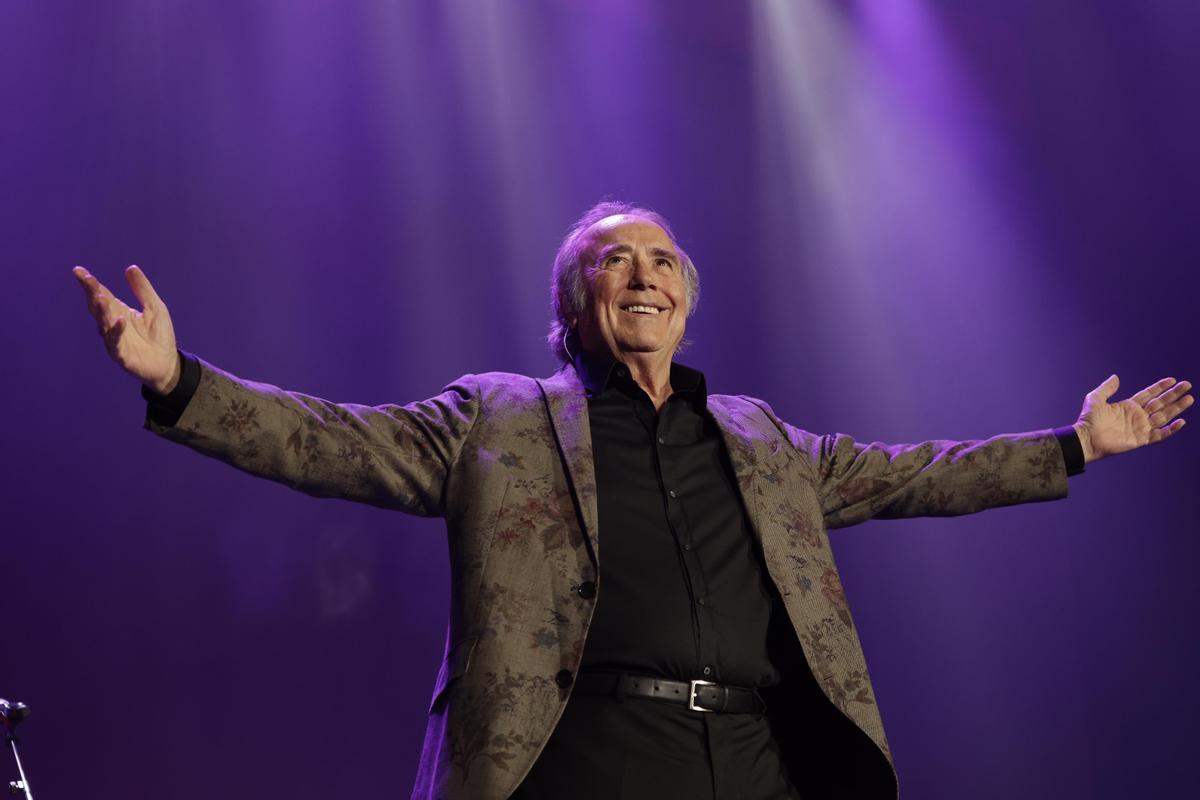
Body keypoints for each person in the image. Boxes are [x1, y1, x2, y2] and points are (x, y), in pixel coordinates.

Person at [73, 201, 1192, 799]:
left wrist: (1075, 446)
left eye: (664, 257)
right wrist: (181, 380)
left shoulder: (758, 437)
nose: (647, 271)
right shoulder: (498, 419)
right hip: (585, 759)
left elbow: (916, 471)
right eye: (617, 259)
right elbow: (331, 441)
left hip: (757, 763)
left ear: (688, 300)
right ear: (576, 298)